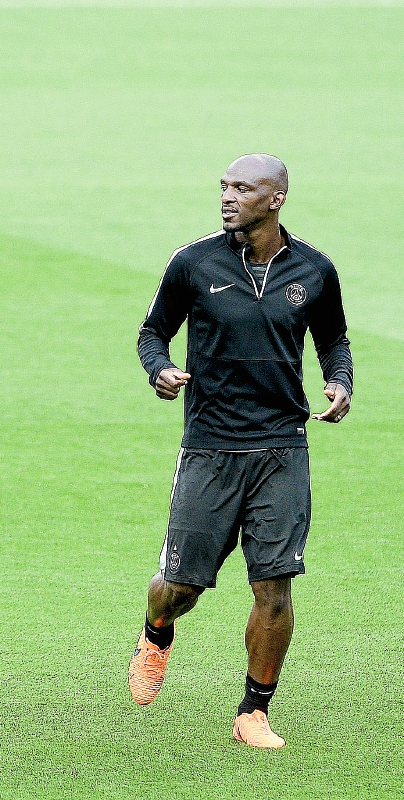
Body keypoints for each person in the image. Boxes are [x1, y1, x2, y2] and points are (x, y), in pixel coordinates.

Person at [129, 153, 352, 748]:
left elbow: (333, 337)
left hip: (283, 446)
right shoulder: (193, 263)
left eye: (242, 188)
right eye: (224, 187)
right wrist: (161, 370)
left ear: (275, 198)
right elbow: (153, 332)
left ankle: (253, 710)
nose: (228, 196)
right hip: (211, 447)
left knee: (274, 584)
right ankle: (155, 634)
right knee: (180, 588)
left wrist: (340, 382)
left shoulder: (315, 269)